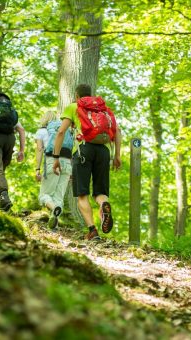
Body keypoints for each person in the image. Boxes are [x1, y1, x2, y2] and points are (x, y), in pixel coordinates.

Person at [53, 84, 121, 240]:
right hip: (104, 151)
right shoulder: (103, 109)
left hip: (83, 150)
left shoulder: (73, 107)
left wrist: (56, 157)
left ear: (77, 96)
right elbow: (117, 131)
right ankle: (103, 205)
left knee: (82, 194)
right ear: (91, 94)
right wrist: (117, 155)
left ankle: (92, 231)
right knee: (101, 193)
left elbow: (61, 131)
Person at [35, 110, 73, 229]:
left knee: (44, 195)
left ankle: (53, 208)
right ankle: (54, 226)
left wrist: (37, 169)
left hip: (52, 161)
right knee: (59, 197)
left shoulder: (41, 131)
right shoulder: (64, 128)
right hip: (67, 162)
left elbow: (40, 150)